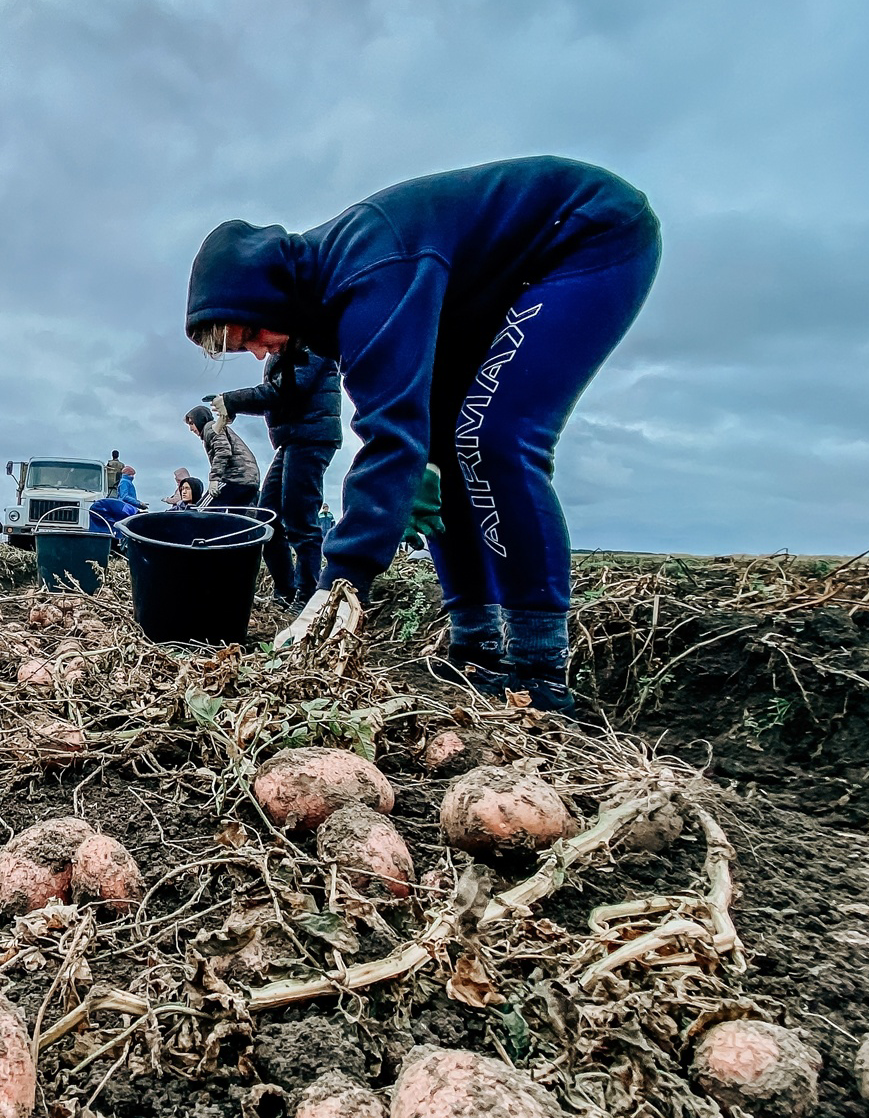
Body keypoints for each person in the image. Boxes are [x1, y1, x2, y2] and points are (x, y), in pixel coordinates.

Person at [185, 155, 661, 711]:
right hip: (476, 292)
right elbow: (410, 433)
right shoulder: (322, 311)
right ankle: (476, 643)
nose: (262, 349)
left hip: (585, 236)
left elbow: (389, 433)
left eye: (253, 332)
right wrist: (419, 460)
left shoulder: (368, 270)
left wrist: (338, 586)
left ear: (264, 289)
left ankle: (537, 668)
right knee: (437, 457)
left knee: (494, 438)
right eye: (247, 349)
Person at [212, 344, 342, 608]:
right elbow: (279, 395)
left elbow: (287, 390)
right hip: (293, 438)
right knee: (266, 517)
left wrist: (233, 400)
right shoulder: (286, 347)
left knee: (299, 518)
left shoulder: (312, 345)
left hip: (311, 436)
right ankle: (287, 591)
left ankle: (308, 596)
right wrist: (235, 405)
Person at [184, 405, 259, 509]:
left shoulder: (210, 428)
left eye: (192, 423)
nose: (191, 429)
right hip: (250, 480)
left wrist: (214, 479)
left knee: (201, 510)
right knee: (234, 519)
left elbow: (223, 450)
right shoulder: (217, 429)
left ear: (200, 420)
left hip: (235, 478)